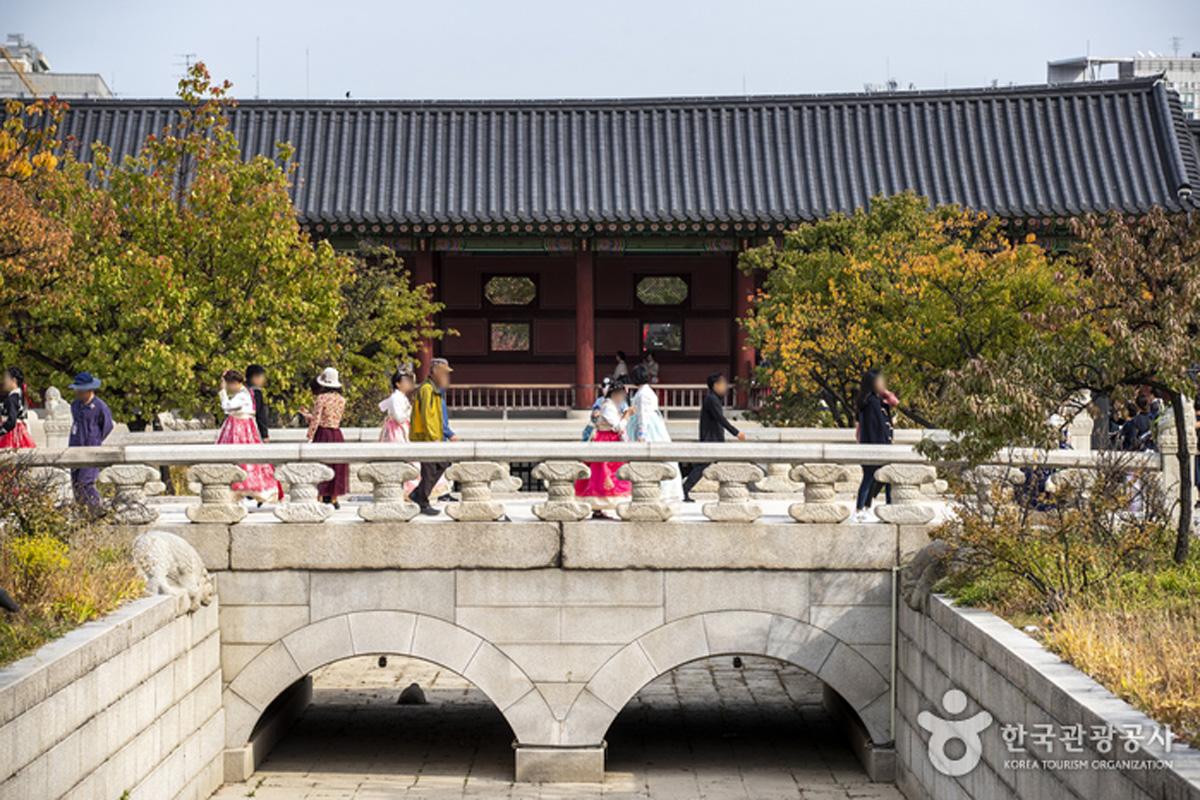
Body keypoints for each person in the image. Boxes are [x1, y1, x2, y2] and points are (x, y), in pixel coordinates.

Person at [216, 369, 281, 505]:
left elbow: (227, 407)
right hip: (241, 428)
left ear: (233, 383)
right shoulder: (245, 393)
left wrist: (222, 392)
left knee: (243, 463)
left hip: (240, 430)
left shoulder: (242, 396)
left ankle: (244, 492)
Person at [682, 372, 746, 502]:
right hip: (711, 439)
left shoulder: (714, 398)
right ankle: (684, 487)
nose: (725, 387)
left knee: (700, 466)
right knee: (701, 466)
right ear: (715, 385)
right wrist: (736, 432)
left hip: (713, 437)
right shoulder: (711, 399)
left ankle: (682, 482)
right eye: (723, 384)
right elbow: (720, 419)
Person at [574, 381, 634, 517]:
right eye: (620, 395)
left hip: (611, 440)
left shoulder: (612, 405)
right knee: (602, 473)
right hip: (605, 440)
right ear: (614, 394)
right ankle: (598, 506)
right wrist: (626, 416)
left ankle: (602, 507)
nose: (622, 398)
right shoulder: (608, 406)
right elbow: (618, 427)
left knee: (611, 473)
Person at [627, 364, 683, 501]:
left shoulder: (642, 394)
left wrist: (641, 435)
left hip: (649, 428)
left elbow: (643, 415)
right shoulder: (647, 391)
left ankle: (661, 490)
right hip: (654, 426)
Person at [409, 358, 457, 516]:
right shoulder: (427, 389)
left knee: (443, 463)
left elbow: (440, 416)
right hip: (429, 438)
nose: (446, 376)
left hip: (438, 436)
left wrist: (447, 433)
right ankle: (421, 500)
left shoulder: (436, 390)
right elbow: (428, 416)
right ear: (435, 372)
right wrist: (433, 438)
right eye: (443, 373)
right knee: (429, 470)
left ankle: (418, 494)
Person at [303, 367, 349, 508]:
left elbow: (317, 419)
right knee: (336, 465)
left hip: (323, 433)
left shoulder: (321, 398)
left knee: (322, 464)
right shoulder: (342, 399)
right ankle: (334, 497)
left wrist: (309, 434)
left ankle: (321, 496)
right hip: (336, 433)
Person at [66, 371, 114, 506]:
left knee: (86, 481)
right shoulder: (75, 405)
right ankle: (82, 511)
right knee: (76, 482)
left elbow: (107, 425)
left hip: (91, 446)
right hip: (75, 445)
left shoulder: (99, 406)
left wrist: (95, 438)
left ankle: (96, 508)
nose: (78, 393)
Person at [854, 369, 894, 521]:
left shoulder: (873, 400)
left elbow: (894, 403)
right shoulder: (871, 402)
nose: (882, 384)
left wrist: (886, 395)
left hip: (874, 446)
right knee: (873, 478)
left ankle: (865, 508)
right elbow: (875, 427)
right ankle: (861, 509)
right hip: (876, 446)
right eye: (879, 381)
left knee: (878, 479)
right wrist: (881, 447)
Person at [379, 366, 420, 495]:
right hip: (396, 431)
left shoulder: (401, 397)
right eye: (406, 381)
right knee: (404, 460)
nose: (408, 384)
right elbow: (399, 418)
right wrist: (409, 411)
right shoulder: (395, 398)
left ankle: (408, 490)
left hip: (403, 429)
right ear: (398, 384)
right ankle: (405, 490)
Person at [0, 367, 35, 449]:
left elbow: (12, 420)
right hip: (20, 432)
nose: (4, 381)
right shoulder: (20, 395)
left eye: (6, 378)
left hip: (11, 433)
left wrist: (1, 431)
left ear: (14, 380)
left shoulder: (12, 398)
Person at [245, 364, 272, 443]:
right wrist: (264, 434)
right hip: (251, 428)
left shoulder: (242, 391)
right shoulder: (256, 393)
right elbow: (260, 414)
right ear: (255, 378)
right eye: (261, 377)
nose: (263, 380)